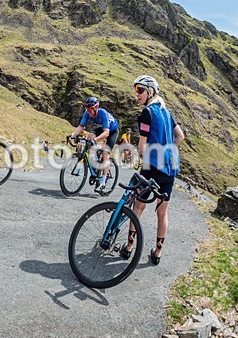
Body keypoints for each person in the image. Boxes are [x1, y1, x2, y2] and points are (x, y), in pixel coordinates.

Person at [121, 75, 185, 264]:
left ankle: (129, 247)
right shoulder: (166, 111)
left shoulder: (147, 113)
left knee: (138, 209)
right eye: (135, 90)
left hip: (151, 167)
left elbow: (141, 148)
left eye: (139, 90)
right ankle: (157, 253)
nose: (136, 94)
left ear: (150, 91)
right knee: (162, 213)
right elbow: (180, 136)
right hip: (170, 168)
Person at [69, 96, 120, 193]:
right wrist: (72, 135)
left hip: (112, 130)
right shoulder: (87, 113)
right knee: (89, 136)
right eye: (86, 109)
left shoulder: (103, 113)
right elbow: (81, 126)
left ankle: (103, 181)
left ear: (96, 108)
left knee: (105, 153)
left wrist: (95, 140)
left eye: (90, 109)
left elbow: (106, 133)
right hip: (102, 128)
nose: (88, 111)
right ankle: (95, 162)